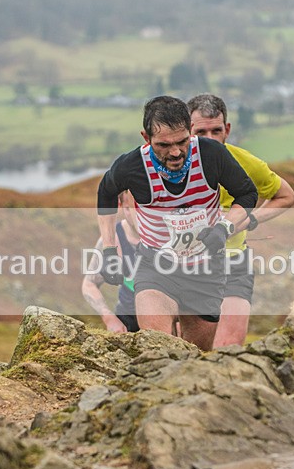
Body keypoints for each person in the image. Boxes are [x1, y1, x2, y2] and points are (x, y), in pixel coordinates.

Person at [96, 95, 257, 350]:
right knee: (159, 349)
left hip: (206, 269)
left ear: (190, 131)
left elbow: (248, 194)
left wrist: (223, 227)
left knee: (195, 355)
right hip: (156, 266)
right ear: (145, 137)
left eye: (182, 141)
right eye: (163, 144)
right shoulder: (132, 166)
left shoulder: (211, 154)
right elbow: (104, 194)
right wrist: (108, 249)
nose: (175, 152)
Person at [187, 93, 294, 347]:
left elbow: (286, 196)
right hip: (185, 266)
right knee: (188, 348)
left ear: (227, 130)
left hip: (234, 263)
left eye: (216, 131)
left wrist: (250, 220)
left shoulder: (245, 162)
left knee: (230, 348)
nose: (210, 139)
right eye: (201, 133)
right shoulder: (174, 164)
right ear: (188, 131)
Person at [82, 191, 140, 333]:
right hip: (128, 321)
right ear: (120, 205)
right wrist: (109, 318)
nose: (135, 217)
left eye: (140, 209)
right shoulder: (111, 239)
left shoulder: (162, 235)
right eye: (128, 209)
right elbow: (89, 284)